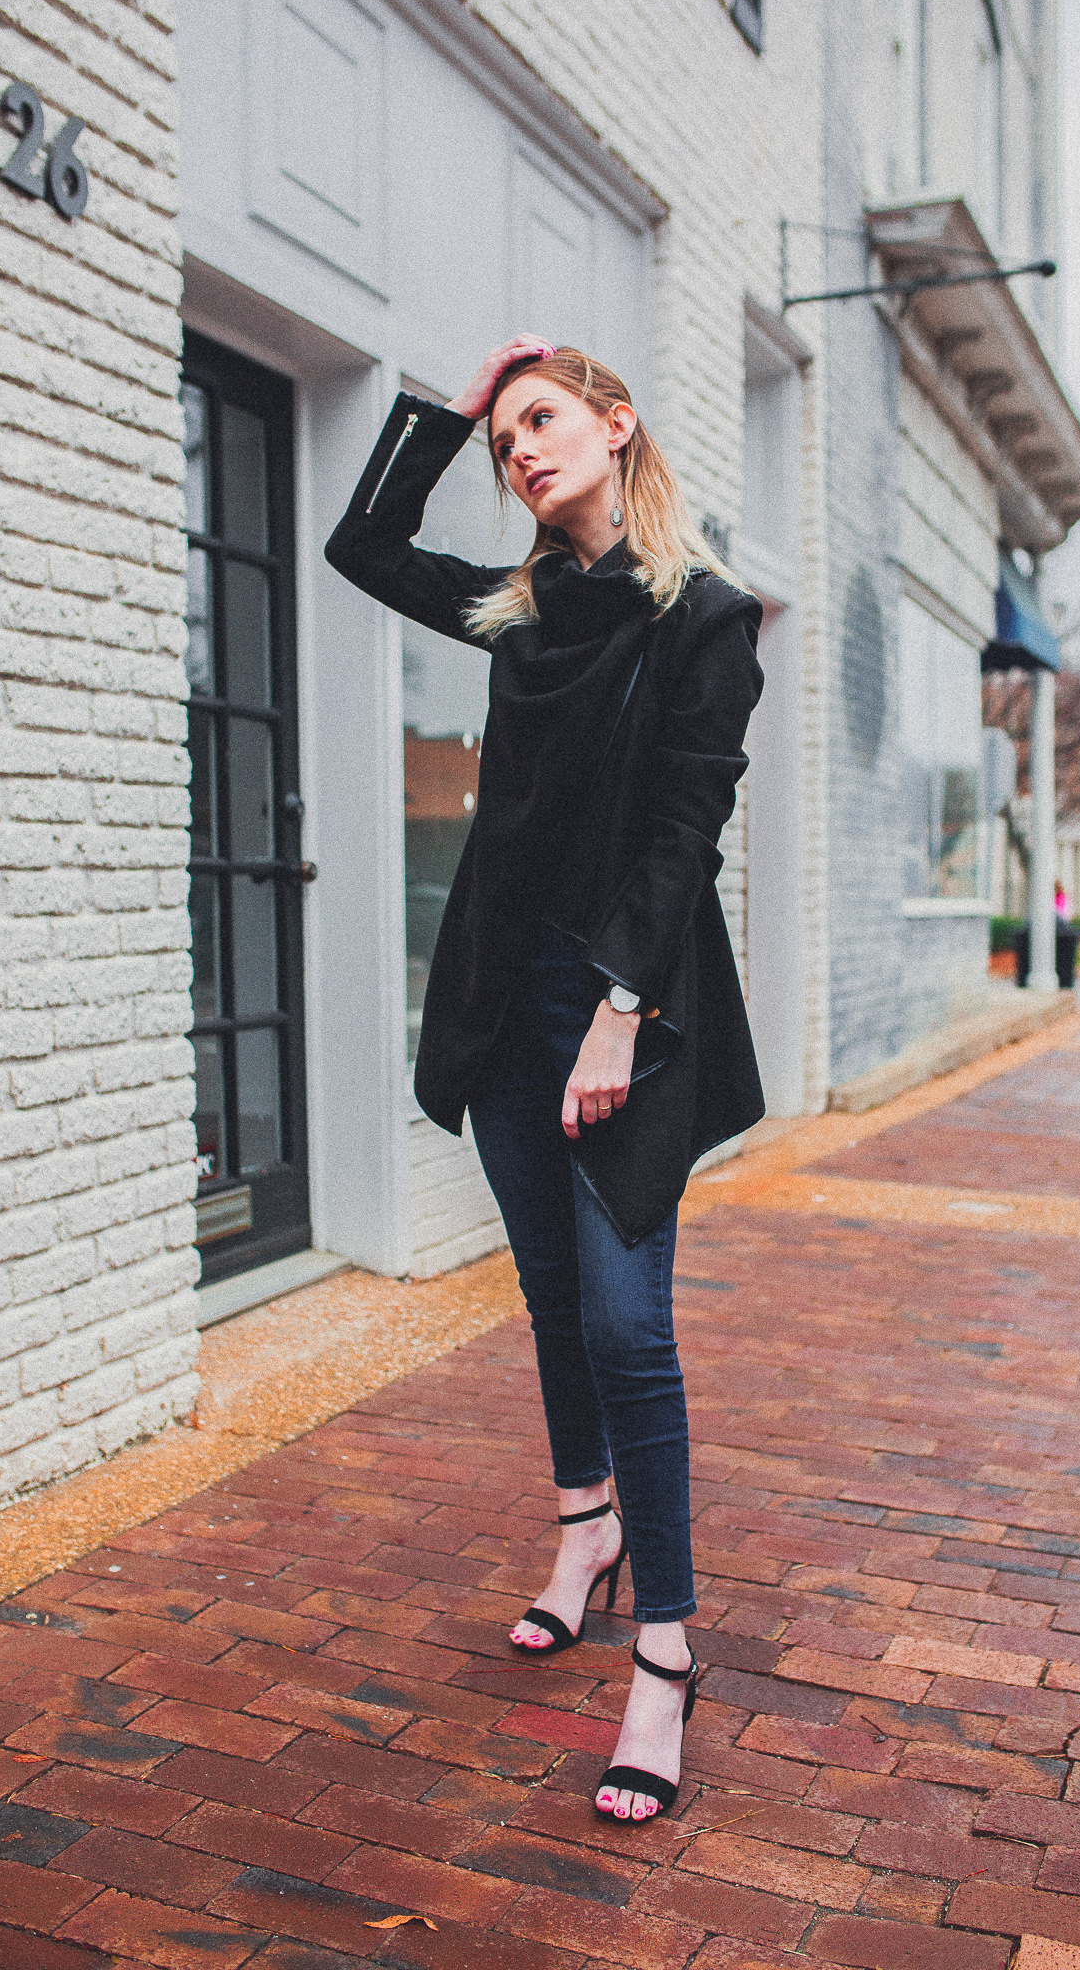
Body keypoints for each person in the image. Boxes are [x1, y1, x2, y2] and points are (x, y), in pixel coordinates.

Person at [325, 337, 764, 1825]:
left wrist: (620, 1012)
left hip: (623, 1010)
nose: (520, 450)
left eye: (541, 420)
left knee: (626, 1323)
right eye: (506, 434)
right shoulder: (520, 612)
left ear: (616, 423)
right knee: (545, 1296)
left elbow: (683, 831)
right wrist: (451, 411)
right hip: (504, 1009)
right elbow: (360, 543)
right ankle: (584, 1530)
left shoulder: (703, 618)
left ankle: (663, 1650)